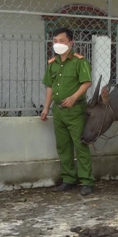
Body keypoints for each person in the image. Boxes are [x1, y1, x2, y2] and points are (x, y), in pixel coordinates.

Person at [41, 28, 94, 196]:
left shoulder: (79, 61)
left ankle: (86, 181)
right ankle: (68, 179)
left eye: (62, 41)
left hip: (76, 109)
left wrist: (73, 97)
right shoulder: (52, 63)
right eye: (55, 41)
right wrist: (46, 107)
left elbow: (86, 83)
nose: (58, 44)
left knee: (80, 145)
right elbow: (49, 86)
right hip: (58, 111)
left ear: (71, 43)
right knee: (63, 146)